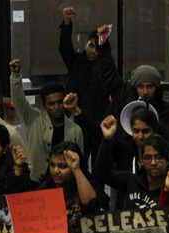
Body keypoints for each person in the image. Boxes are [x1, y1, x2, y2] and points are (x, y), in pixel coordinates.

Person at [59, 7, 119, 168]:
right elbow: (64, 48)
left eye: (97, 47)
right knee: (79, 163)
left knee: (101, 166)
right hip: (79, 122)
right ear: (86, 45)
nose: (94, 51)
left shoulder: (106, 69)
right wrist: (67, 22)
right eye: (91, 46)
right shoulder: (76, 62)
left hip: (100, 123)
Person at [9, 59, 84, 182]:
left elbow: (80, 163)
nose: (56, 107)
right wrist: (16, 75)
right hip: (37, 182)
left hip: (65, 183)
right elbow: (18, 101)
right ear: (44, 104)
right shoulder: (34, 119)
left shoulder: (75, 130)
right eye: (51, 103)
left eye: (59, 102)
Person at [96, 115, 169, 210]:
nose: (153, 163)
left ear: (167, 160)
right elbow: (102, 173)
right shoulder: (132, 180)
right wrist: (107, 139)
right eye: (148, 158)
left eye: (158, 157)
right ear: (142, 160)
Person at [36, 142, 101, 233]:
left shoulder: (85, 186)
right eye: (52, 165)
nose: (56, 170)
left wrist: (76, 169)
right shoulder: (43, 191)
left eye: (62, 166)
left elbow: (92, 206)